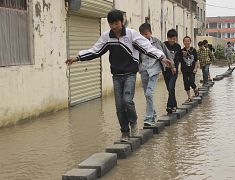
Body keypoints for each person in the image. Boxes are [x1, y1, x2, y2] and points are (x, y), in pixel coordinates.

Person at [65, 10, 172, 141]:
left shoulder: (132, 35)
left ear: (121, 22)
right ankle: (125, 132)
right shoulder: (107, 37)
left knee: (127, 100)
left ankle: (133, 123)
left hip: (130, 74)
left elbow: (147, 47)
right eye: (111, 24)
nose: (114, 27)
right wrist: (77, 58)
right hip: (116, 75)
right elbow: (95, 51)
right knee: (119, 106)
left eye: (116, 23)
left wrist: (161, 57)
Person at [138, 23, 174, 126]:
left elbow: (166, 53)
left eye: (146, 34)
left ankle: (149, 118)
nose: (144, 36)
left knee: (149, 93)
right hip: (144, 70)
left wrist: (172, 66)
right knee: (147, 94)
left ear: (150, 32)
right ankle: (153, 114)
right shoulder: (138, 43)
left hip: (154, 69)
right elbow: (136, 55)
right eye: (142, 34)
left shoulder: (157, 42)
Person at [163, 29, 182, 113]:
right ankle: (174, 105)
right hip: (165, 70)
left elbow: (178, 58)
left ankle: (169, 106)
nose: (172, 40)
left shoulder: (178, 46)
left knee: (171, 87)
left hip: (174, 70)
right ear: (167, 38)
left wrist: (174, 67)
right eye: (170, 38)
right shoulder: (164, 45)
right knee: (170, 88)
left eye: (174, 38)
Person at [181, 36, 199, 102]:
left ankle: (195, 89)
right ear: (183, 42)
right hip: (184, 70)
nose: (186, 42)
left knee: (191, 81)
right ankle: (189, 97)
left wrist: (195, 68)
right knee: (186, 83)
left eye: (188, 41)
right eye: (185, 41)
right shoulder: (182, 51)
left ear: (190, 42)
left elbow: (196, 60)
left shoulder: (193, 50)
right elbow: (179, 60)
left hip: (192, 69)